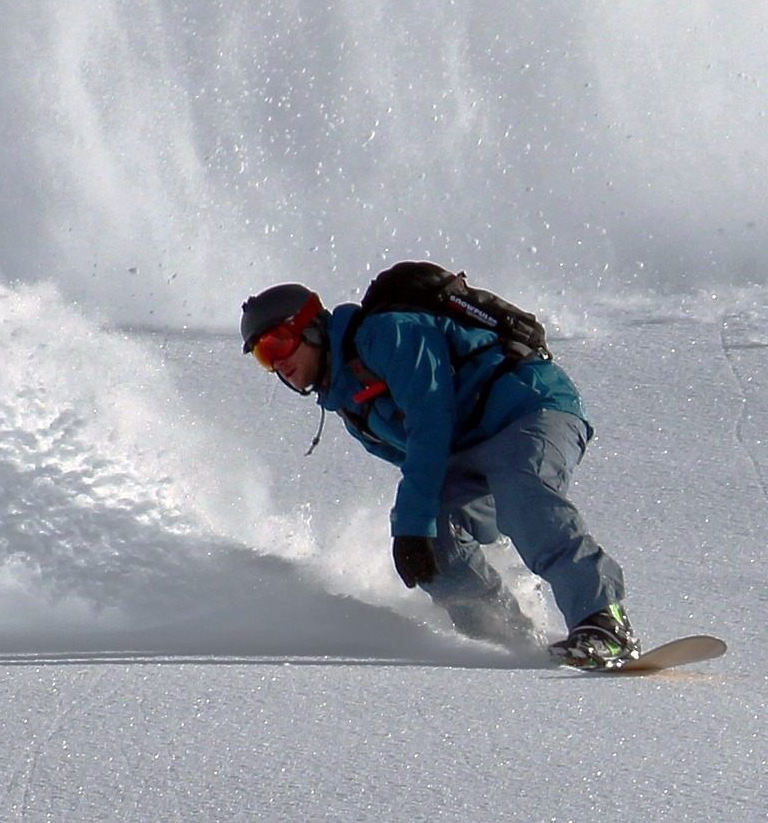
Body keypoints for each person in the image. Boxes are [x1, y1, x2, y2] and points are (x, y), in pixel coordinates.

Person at [240, 280, 639, 668]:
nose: (277, 364)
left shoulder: (386, 334)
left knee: (522, 493)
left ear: (310, 328)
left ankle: (604, 622)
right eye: (263, 357)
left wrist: (413, 522)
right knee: (436, 543)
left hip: (527, 410)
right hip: (468, 453)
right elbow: (421, 465)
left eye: (278, 344)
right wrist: (424, 528)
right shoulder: (351, 408)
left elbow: (430, 420)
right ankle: (508, 638)